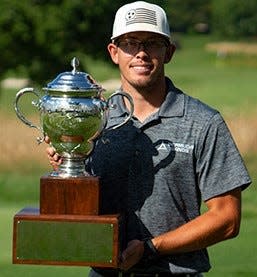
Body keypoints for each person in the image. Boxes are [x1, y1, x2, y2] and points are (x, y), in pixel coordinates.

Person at [46, 1, 251, 276]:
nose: (141, 53)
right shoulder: (94, 120)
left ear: (169, 52)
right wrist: (68, 165)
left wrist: (151, 247)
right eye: (130, 42)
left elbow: (227, 218)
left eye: (153, 43)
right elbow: (83, 212)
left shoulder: (203, 122)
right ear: (114, 52)